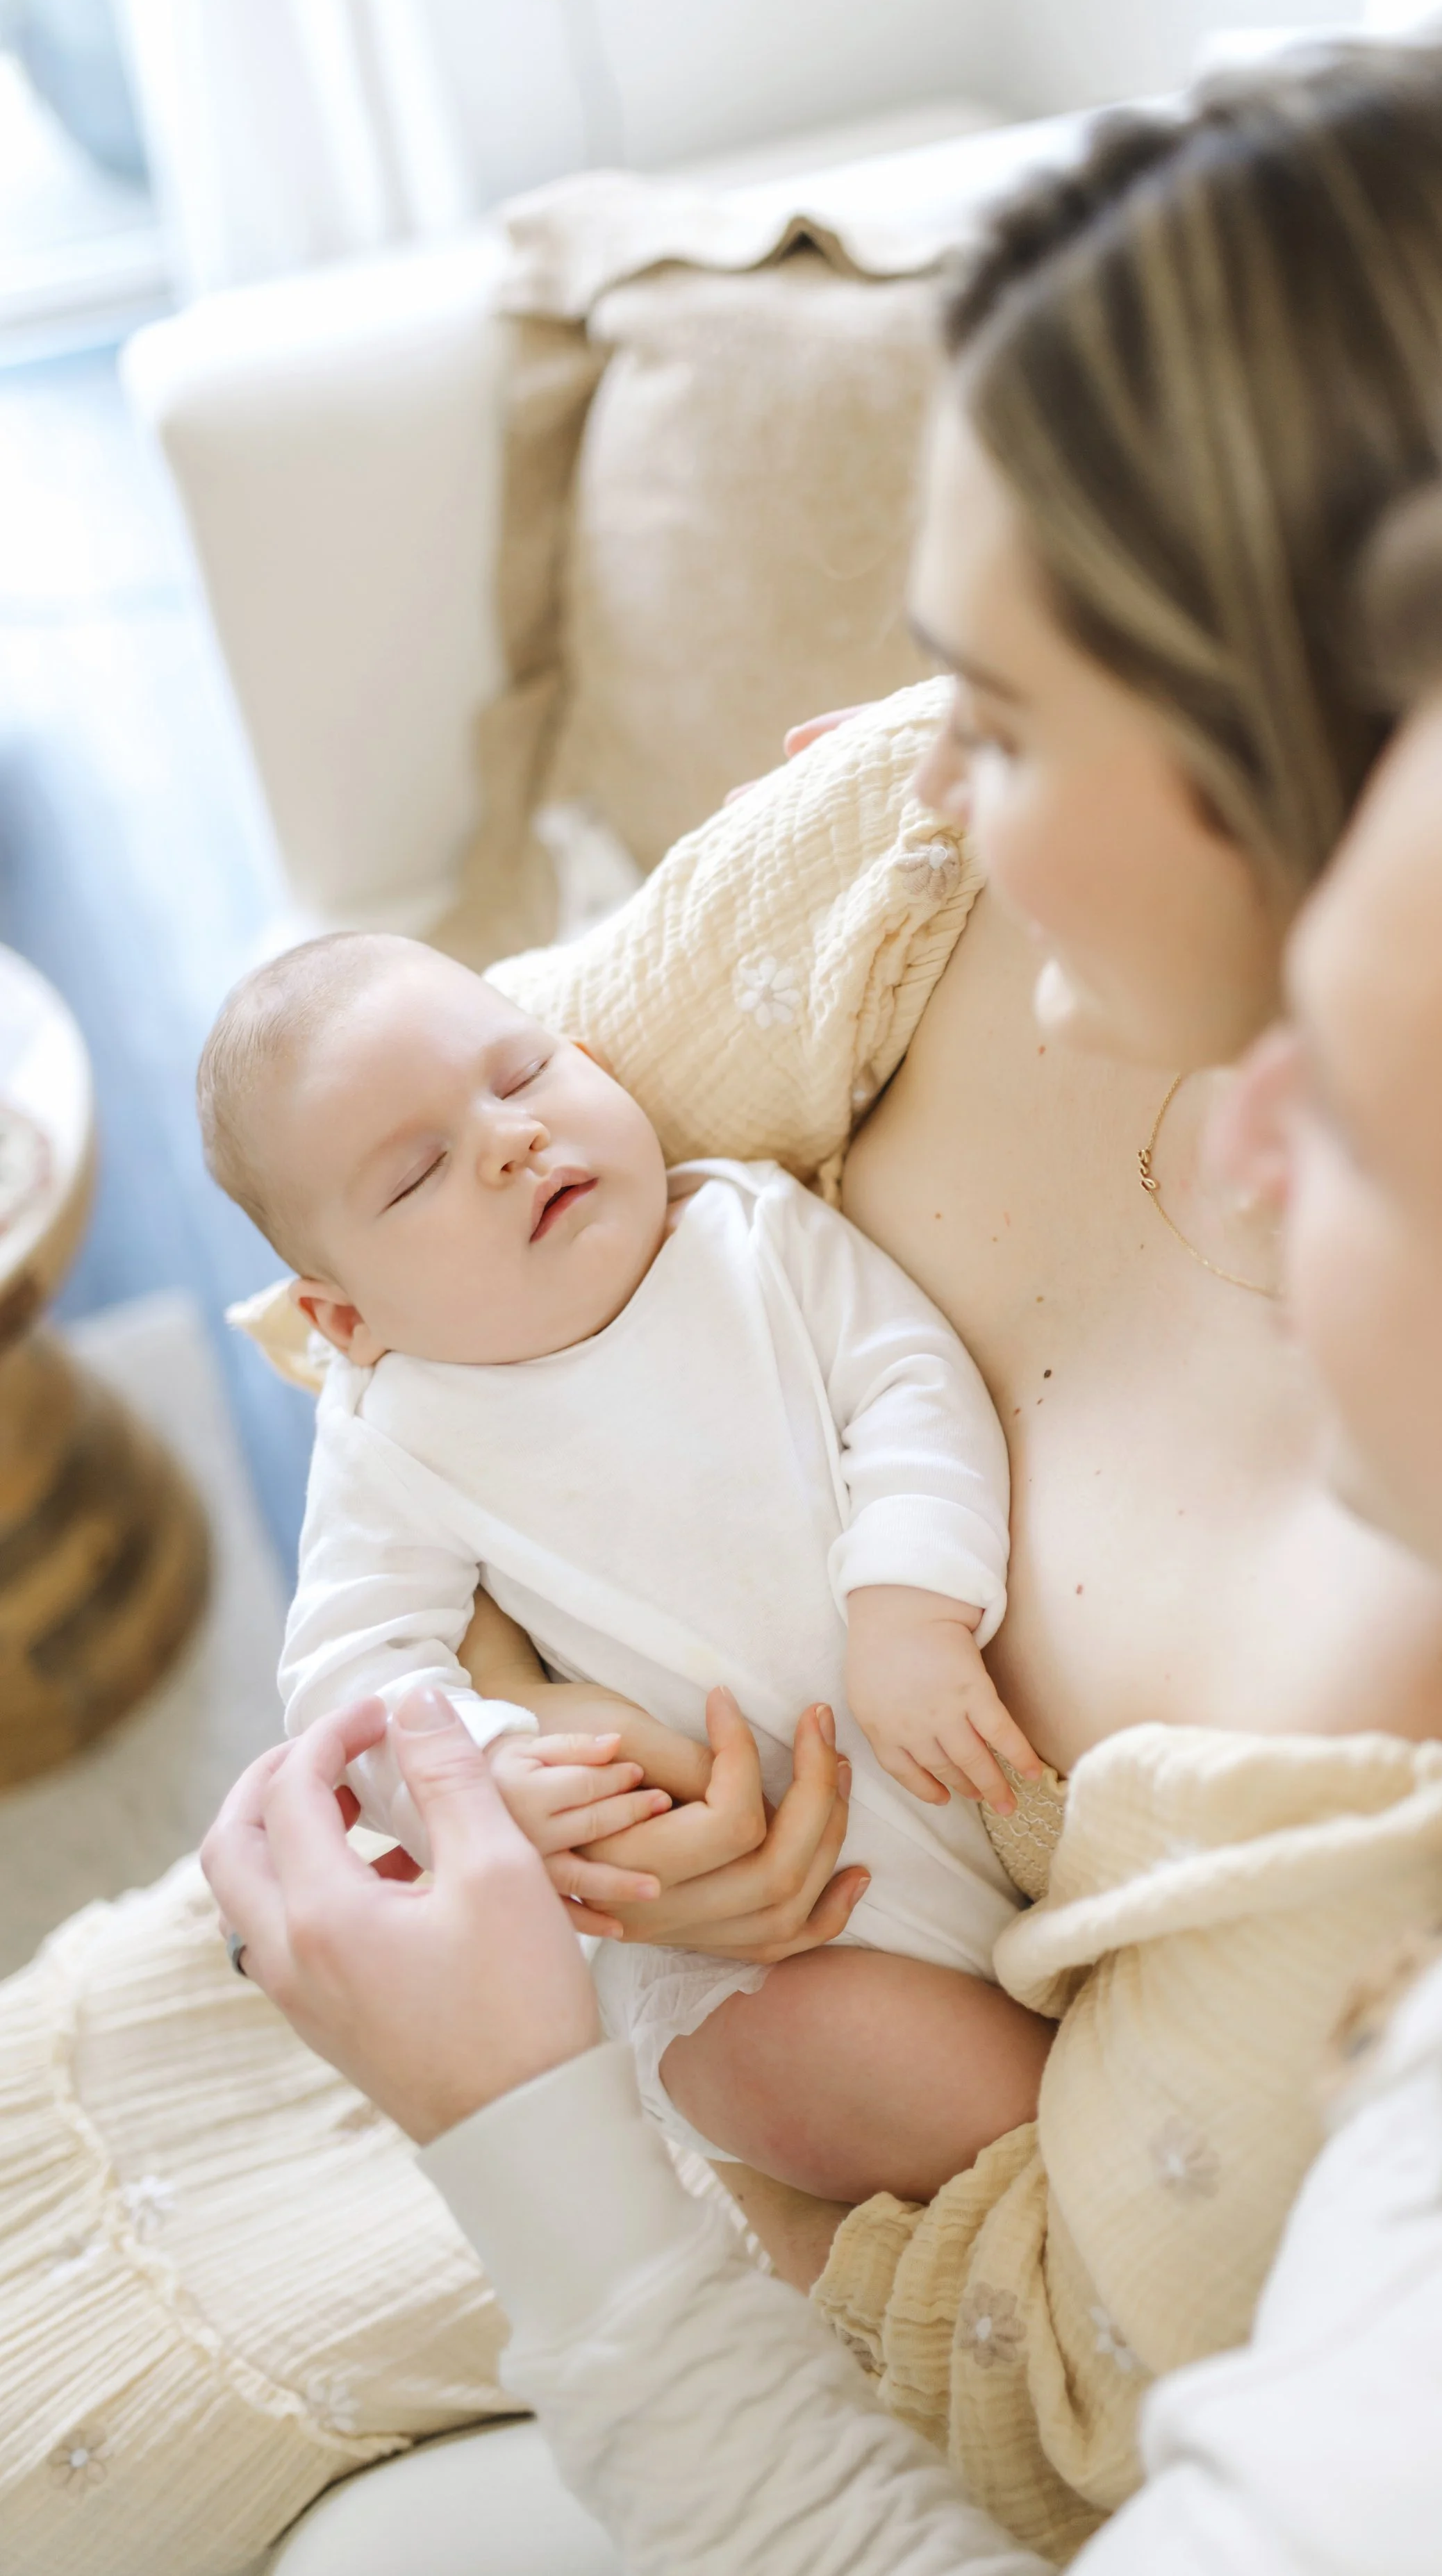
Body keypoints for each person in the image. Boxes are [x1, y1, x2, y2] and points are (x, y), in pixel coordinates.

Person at [1, 8, 1442, 2574]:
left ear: (1293, 730)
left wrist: (585, 2083)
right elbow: (387, 1279)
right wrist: (576, 1783)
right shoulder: (917, 886)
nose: (890, 765)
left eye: (1013, 711)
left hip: (711, 2179)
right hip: (528, 1974)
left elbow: (1055, 2371)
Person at [200, 928, 1038, 2197]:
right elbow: (351, 1673)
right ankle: (1017, 2151)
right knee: (882, 2081)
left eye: (525, 1072)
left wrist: (911, 1605)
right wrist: (482, 1774)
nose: (506, 1139)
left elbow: (910, 1380)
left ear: (592, 1061)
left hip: (943, 1761)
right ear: (345, 1319)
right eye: (420, 1172)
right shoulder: (396, 1430)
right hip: (749, 1949)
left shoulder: (750, 1230)